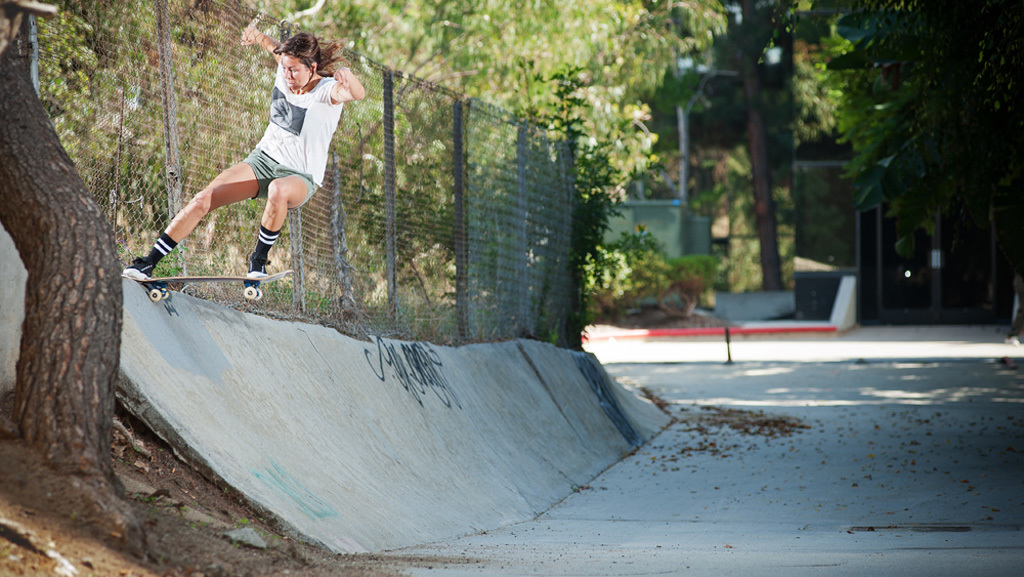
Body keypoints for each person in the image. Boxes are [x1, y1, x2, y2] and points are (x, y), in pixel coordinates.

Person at [123, 22, 365, 281]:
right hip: (262, 161)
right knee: (203, 199)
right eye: (284, 68)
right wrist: (256, 36)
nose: (287, 76)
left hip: (301, 176)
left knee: (278, 190)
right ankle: (148, 263)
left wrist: (347, 74)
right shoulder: (285, 66)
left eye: (294, 71)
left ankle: (258, 261)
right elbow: (272, 46)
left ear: (312, 67)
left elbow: (356, 93)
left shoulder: (327, 91)